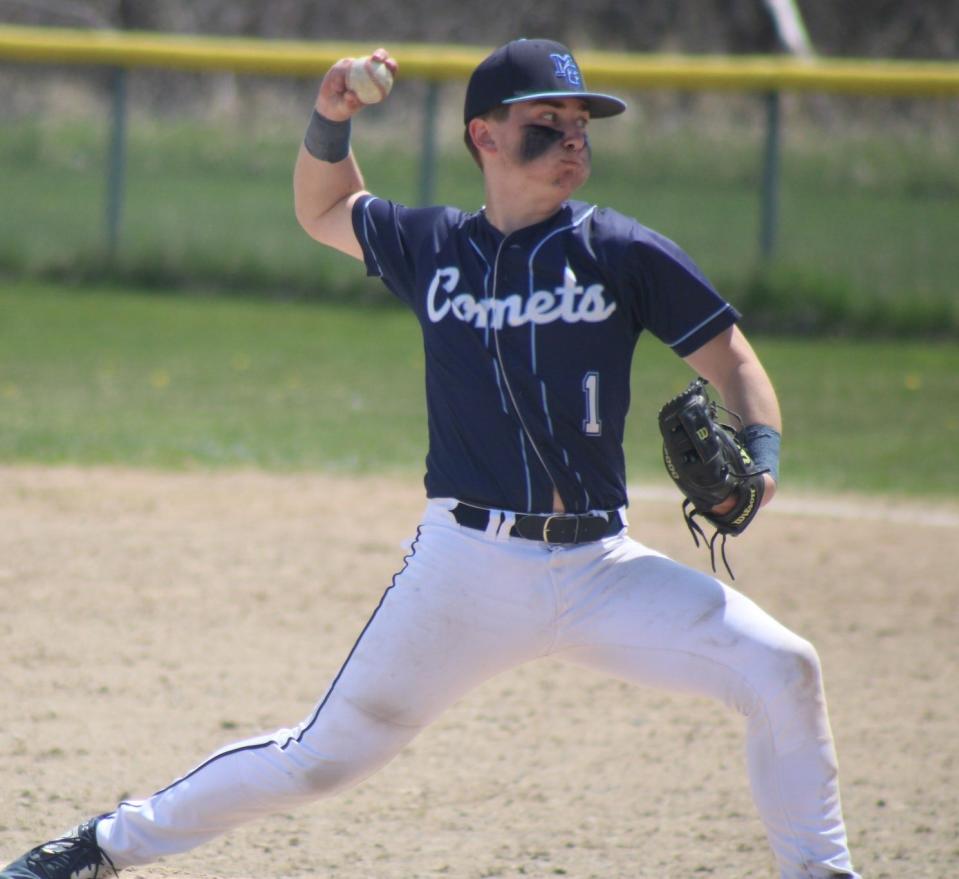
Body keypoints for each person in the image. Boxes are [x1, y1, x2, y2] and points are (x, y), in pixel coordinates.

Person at [1, 39, 859, 879]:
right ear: (483, 135)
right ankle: (102, 845)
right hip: (467, 567)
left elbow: (733, 360)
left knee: (783, 669)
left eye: (581, 124)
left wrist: (762, 452)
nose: (572, 138)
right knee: (321, 757)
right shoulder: (434, 246)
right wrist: (330, 119)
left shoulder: (623, 252)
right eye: (546, 122)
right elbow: (324, 209)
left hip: (603, 566)